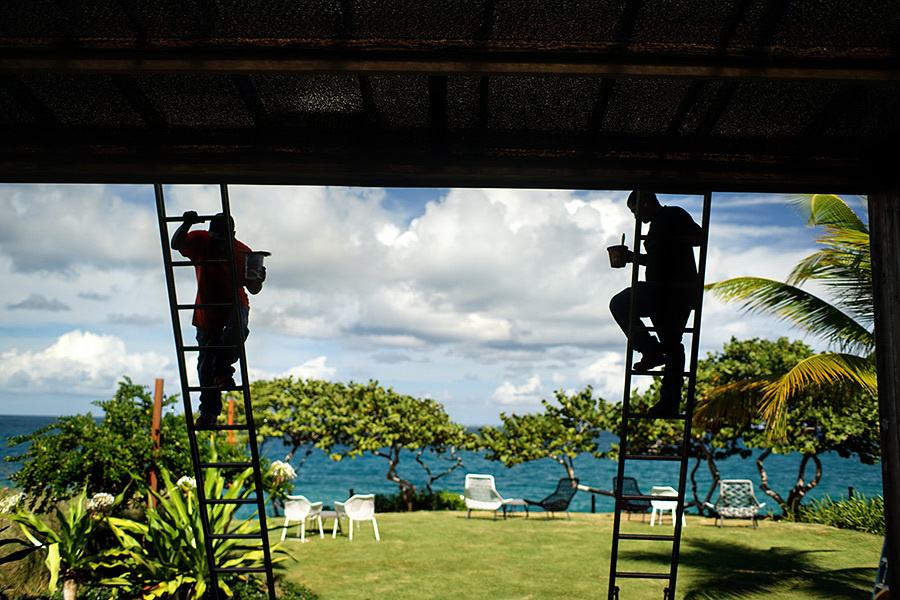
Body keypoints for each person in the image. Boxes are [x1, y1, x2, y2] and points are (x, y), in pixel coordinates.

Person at [609, 191, 703, 417]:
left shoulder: (673, 215)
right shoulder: (658, 225)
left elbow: (700, 237)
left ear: (649, 202)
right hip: (668, 292)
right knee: (672, 346)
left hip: (669, 292)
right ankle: (668, 402)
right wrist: (633, 257)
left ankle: (650, 351)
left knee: (620, 304)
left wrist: (671, 239)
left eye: (636, 210)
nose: (636, 217)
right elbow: (657, 259)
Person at [171, 210, 266, 428]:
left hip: (234, 304)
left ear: (232, 235)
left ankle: (223, 370)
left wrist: (259, 279)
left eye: (224, 240)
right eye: (215, 238)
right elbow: (176, 244)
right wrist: (186, 224)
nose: (219, 244)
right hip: (207, 309)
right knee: (205, 364)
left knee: (237, 329)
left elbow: (253, 288)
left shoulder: (243, 252)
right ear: (210, 232)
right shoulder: (201, 239)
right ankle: (209, 413)